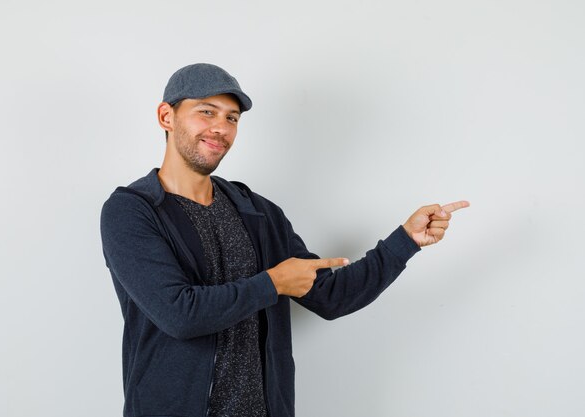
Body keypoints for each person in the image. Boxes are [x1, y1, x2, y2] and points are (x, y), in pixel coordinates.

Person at [100, 63, 469, 417]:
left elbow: (332, 295)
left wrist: (405, 241)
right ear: (167, 116)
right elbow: (179, 314)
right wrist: (274, 282)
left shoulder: (257, 213)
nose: (221, 128)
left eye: (232, 118)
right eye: (206, 112)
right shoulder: (132, 211)